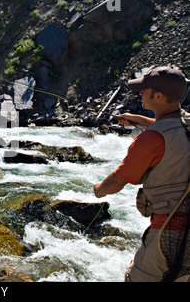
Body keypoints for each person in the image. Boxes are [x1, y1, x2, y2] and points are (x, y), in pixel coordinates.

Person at [93, 66, 190, 282]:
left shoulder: (150, 140)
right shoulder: (186, 123)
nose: (140, 93)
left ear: (158, 96)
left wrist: (98, 191)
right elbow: (173, 125)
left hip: (167, 233)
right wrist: (138, 119)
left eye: (144, 90)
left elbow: (117, 181)